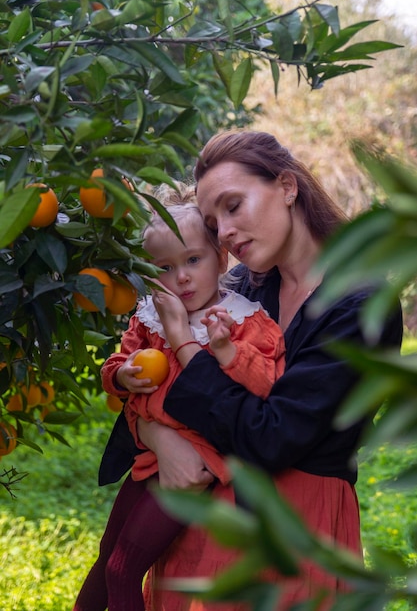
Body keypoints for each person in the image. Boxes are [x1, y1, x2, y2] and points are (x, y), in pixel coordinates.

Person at [98, 130, 403, 611]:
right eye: (213, 223)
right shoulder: (236, 289)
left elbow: (273, 437)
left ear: (286, 186)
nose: (225, 234)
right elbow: (152, 386)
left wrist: (183, 342)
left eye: (233, 206)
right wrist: (162, 440)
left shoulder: (361, 305)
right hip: (203, 518)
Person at [73, 186, 285, 611]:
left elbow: (267, 383)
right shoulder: (149, 318)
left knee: (123, 568)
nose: (181, 277)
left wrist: (227, 352)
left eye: (193, 260)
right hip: (150, 461)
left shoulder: (241, 321)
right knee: (106, 557)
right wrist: (122, 377)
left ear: (221, 259)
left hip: (195, 466)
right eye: (164, 267)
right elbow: (114, 365)